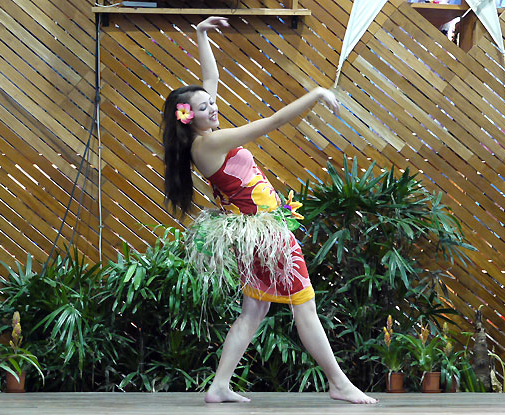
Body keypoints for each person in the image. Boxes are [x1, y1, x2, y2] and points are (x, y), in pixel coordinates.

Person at [161, 16, 377, 405]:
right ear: (189, 117)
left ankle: (219, 386)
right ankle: (339, 383)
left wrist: (201, 34)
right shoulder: (212, 142)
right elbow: (273, 122)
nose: (214, 107)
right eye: (206, 107)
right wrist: (315, 93)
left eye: (212, 103)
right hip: (268, 236)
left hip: (256, 235)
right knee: (304, 306)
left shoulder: (202, 135)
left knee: (254, 310)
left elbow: (209, 83)